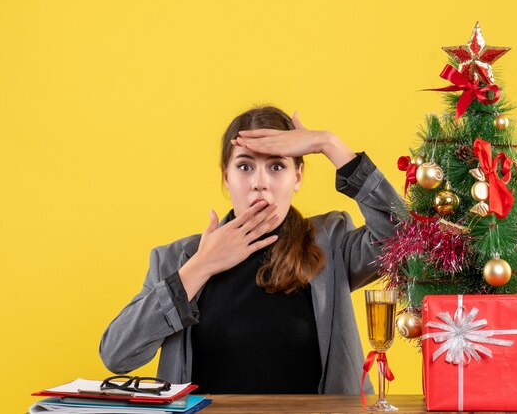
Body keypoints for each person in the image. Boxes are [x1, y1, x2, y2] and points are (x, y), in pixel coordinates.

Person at [99, 106, 402, 394]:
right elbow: (117, 355)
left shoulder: (331, 244)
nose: (260, 183)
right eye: (245, 166)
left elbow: (406, 239)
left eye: (276, 166)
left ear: (297, 177)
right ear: (225, 177)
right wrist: (200, 267)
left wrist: (330, 143)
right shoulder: (177, 259)